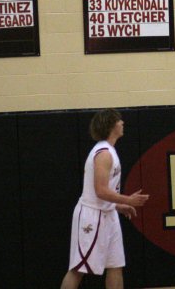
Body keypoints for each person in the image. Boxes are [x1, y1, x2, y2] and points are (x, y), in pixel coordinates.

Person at [61, 109, 149, 289]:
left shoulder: (110, 150)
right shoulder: (103, 154)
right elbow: (100, 191)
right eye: (119, 120)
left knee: (116, 266)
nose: (123, 123)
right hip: (92, 215)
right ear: (111, 125)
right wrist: (127, 200)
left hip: (108, 214)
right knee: (78, 268)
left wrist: (117, 206)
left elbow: (104, 193)